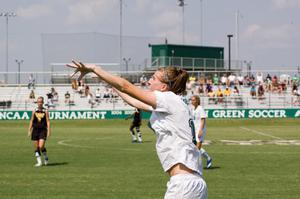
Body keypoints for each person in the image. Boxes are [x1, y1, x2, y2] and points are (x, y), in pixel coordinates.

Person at [67, 61, 208, 199]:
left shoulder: (167, 99)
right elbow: (134, 101)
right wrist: (108, 82)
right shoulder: (173, 103)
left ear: (164, 87)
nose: (148, 82)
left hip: (184, 186)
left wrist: (95, 68)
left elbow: (125, 86)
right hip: (193, 183)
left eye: (153, 78)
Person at [190, 95, 212, 169]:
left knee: (197, 149)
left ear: (197, 101)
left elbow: (203, 120)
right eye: (191, 100)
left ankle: (195, 166)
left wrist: (200, 130)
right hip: (194, 130)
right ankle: (208, 158)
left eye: (193, 100)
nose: (192, 101)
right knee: (194, 147)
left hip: (200, 130)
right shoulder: (193, 109)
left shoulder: (200, 108)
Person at [28, 96, 51, 167]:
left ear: (43, 102)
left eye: (41, 102)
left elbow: (48, 121)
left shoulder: (45, 111)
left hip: (43, 130)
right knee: (36, 147)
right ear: (37, 103)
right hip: (35, 130)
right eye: (38, 102)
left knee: (41, 146)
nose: (40, 103)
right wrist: (29, 130)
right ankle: (39, 162)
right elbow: (31, 120)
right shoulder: (34, 110)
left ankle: (46, 157)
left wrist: (49, 130)